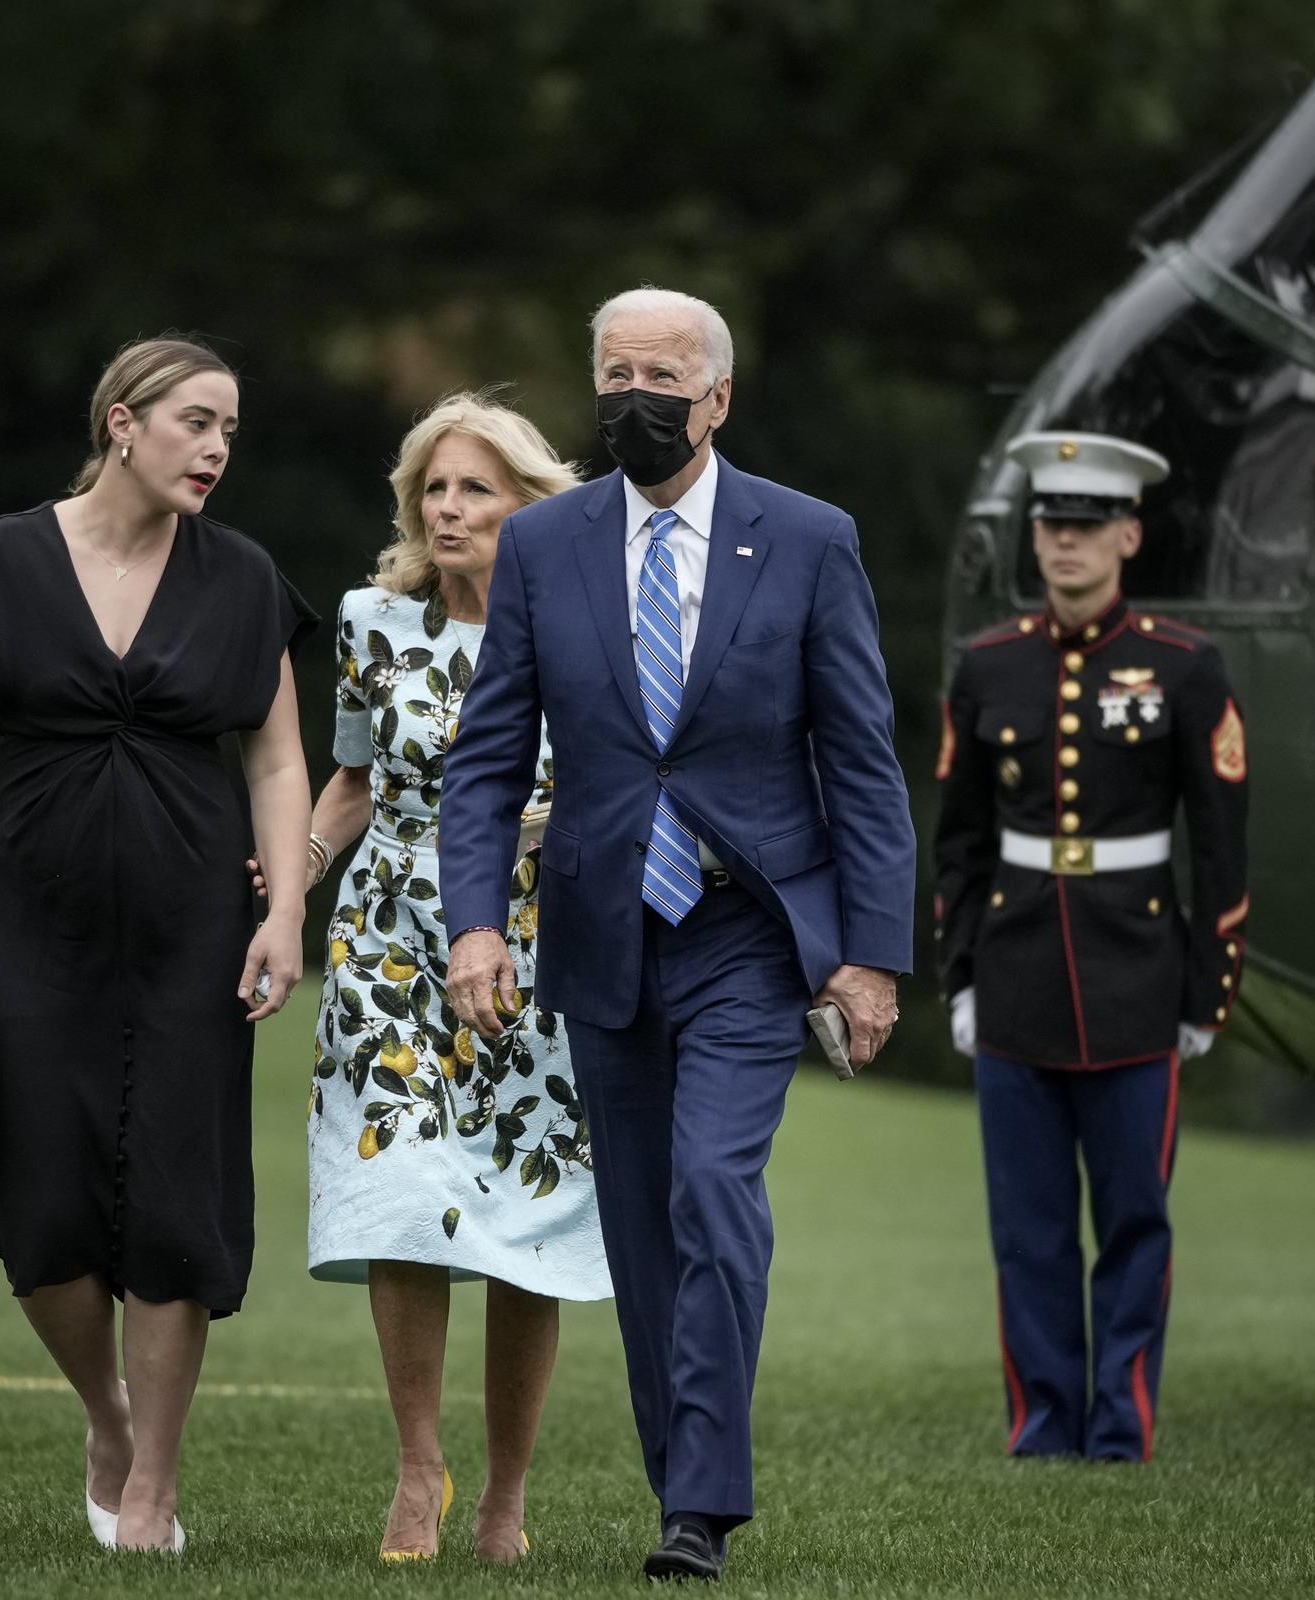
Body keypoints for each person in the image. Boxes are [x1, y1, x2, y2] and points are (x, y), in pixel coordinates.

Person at [439, 288, 915, 1581]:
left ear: (715, 399)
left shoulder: (808, 542)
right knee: (644, 1228)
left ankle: (702, 1505)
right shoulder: (545, 546)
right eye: (614, 371)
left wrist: (870, 951)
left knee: (714, 1184)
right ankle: (679, 1488)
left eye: (661, 374)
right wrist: (477, 920)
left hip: (751, 929)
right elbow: (486, 762)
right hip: (601, 929)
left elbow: (862, 761)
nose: (632, 394)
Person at [0, 336, 317, 1553]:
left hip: (197, 934)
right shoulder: (1, 562)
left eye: (230, 428)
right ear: (121, 424)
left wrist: (284, 910)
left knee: (177, 1206)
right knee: (41, 1212)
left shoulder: (242, 580)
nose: (217, 449)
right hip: (40, 930)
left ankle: (154, 1489)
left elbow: (278, 759)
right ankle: (106, 1416)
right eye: (196, 421)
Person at [304, 393, 612, 1565]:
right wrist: (294, 881)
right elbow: (348, 778)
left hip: (538, 945)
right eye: (432, 488)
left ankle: (506, 1494)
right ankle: (418, 1466)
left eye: (475, 487)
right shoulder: (371, 619)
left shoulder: (586, 629)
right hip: (388, 936)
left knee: (521, 1216)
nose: (447, 508)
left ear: (527, 507)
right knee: (403, 1193)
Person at [932, 432, 1249, 1464]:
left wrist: (1210, 991)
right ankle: (1043, 1424)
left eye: (1084, 526)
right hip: (1018, 969)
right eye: (1048, 524)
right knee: (1027, 1231)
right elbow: (962, 842)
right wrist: (962, 971)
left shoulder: (1185, 666)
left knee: (1132, 1221)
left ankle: (1123, 1425)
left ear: (1128, 533)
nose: (1063, 543)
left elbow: (1224, 843)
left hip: (1136, 975)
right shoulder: (988, 666)